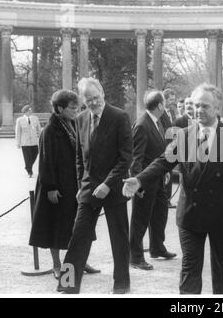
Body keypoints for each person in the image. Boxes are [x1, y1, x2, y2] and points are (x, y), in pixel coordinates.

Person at [123, 83, 223, 294]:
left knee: (222, 269)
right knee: (189, 269)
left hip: (222, 216)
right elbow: (162, 161)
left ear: (218, 108)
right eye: (195, 105)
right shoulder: (183, 135)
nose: (198, 110)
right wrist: (138, 179)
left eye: (205, 106)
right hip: (190, 216)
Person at [57, 78, 132, 294]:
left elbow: (126, 157)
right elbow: (80, 157)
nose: (93, 102)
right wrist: (82, 184)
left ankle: (121, 284)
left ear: (103, 93)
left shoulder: (119, 117)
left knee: (119, 239)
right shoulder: (80, 119)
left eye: (96, 98)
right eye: (88, 99)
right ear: (82, 100)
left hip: (114, 188)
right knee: (78, 236)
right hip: (89, 188)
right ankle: (68, 283)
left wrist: (109, 184)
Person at [29, 90, 100, 279]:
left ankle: (80, 260)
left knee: (78, 225)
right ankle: (57, 264)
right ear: (59, 108)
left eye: (77, 107)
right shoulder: (50, 130)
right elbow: (45, 161)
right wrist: (50, 187)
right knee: (56, 226)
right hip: (56, 186)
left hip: (74, 185)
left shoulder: (72, 124)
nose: (76, 110)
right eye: (72, 107)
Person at [130, 90, 176, 271]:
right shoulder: (142, 124)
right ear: (159, 106)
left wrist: (164, 171)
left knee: (160, 214)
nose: (166, 106)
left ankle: (157, 247)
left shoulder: (156, 122)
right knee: (140, 219)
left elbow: (159, 150)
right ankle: (135, 256)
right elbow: (136, 158)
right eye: (164, 103)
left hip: (158, 179)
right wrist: (137, 184)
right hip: (145, 182)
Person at [15, 105, 41, 177]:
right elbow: (18, 132)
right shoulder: (19, 120)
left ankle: (27, 166)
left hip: (34, 142)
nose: (31, 111)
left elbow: (39, 129)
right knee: (27, 157)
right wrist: (18, 143)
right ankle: (30, 171)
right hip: (25, 143)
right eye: (30, 110)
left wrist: (41, 138)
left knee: (35, 154)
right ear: (25, 111)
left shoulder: (35, 118)